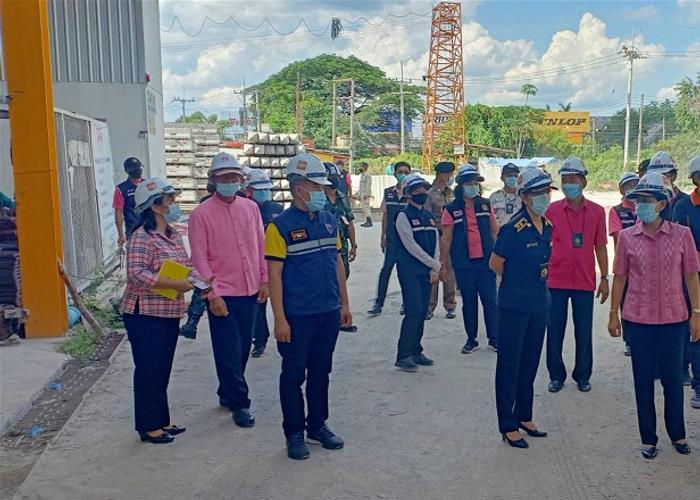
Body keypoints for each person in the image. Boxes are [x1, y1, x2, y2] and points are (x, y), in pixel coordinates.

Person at [265, 153, 352, 460]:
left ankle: (317, 425)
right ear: (298, 187)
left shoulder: (328, 220)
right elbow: (274, 275)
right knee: (293, 375)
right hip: (297, 315)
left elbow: (338, 264)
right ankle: (294, 433)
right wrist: (279, 319)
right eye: (315, 186)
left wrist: (344, 303)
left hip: (328, 311)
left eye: (322, 187)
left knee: (320, 371)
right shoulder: (279, 227)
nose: (321, 192)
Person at [609, 171, 699, 459]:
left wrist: (696, 313)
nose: (641, 206)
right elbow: (620, 277)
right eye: (638, 201)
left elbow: (691, 276)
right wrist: (613, 313)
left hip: (674, 320)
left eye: (647, 200)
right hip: (638, 321)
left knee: (673, 380)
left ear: (661, 203)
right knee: (643, 380)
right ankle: (648, 438)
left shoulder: (682, 235)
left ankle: (678, 434)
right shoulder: (627, 238)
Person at [188, 152, 268, 428]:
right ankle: (240, 402)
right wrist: (211, 295)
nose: (229, 182)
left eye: (234, 177)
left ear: (241, 179)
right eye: (223, 178)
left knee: (243, 346)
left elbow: (260, 245)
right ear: (213, 180)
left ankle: (227, 391)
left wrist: (264, 280)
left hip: (250, 289)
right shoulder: (201, 215)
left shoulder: (251, 208)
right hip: (222, 293)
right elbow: (199, 259)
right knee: (227, 349)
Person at [120, 178, 193, 444]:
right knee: (149, 369)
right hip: (145, 314)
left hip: (169, 311)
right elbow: (136, 274)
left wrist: (197, 280)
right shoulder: (142, 237)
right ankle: (149, 426)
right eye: (169, 199)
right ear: (154, 205)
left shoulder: (173, 235)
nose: (174, 203)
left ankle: (161, 420)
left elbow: (185, 266)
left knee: (162, 368)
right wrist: (174, 284)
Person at [490, 167, 555, 449]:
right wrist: (517, 282)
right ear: (525, 197)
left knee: (530, 362)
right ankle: (508, 425)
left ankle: (524, 416)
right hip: (514, 305)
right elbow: (495, 264)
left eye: (546, 192)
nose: (544, 198)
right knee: (509, 365)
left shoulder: (547, 226)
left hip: (539, 303)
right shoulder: (513, 229)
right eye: (538, 193)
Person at [545, 156, 608, 394]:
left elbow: (600, 246)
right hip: (555, 280)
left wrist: (604, 277)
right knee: (555, 331)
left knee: (584, 331)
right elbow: (542, 244)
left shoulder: (597, 212)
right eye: (564, 180)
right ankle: (556, 375)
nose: (568, 184)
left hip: (584, 281)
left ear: (583, 181)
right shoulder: (551, 211)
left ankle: (583, 375)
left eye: (573, 179)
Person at [441, 164, 499, 354]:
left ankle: (494, 338)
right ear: (461, 186)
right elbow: (446, 238)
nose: (473, 186)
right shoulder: (451, 209)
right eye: (469, 183)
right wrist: (442, 264)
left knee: (490, 300)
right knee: (469, 301)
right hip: (464, 264)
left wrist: (499, 254)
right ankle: (471, 339)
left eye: (475, 183)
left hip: (486, 262)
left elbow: (494, 231)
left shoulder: (485, 205)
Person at [394, 174, 440, 372]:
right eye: (416, 190)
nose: (421, 192)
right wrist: (434, 264)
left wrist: (434, 266)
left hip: (426, 270)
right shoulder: (403, 216)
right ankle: (403, 355)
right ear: (408, 194)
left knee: (422, 311)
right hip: (409, 271)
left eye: (423, 189)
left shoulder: (428, 216)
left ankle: (416, 350)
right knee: (413, 310)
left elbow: (435, 241)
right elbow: (411, 246)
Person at [671, 154, 700, 409]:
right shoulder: (682, 207)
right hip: (692, 276)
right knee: (694, 329)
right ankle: (697, 385)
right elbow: (680, 244)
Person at [245, 169, 284, 357]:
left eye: (266, 189)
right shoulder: (243, 208)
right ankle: (259, 340)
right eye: (259, 190)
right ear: (248, 189)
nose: (264, 193)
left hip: (275, 260)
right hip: (254, 262)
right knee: (258, 303)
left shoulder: (277, 209)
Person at [368, 161, 411, 316]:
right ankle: (378, 304)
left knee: (405, 273)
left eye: (406, 172)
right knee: (386, 270)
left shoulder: (411, 194)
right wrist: (383, 236)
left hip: (407, 241)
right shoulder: (388, 193)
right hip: (392, 239)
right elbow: (385, 216)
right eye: (400, 172)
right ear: (394, 174)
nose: (403, 175)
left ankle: (406, 303)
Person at [179, 181, 217, 340]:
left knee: (202, 288)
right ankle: (192, 323)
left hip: (216, 256)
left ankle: (192, 323)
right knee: (201, 287)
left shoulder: (243, 204)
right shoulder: (206, 205)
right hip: (206, 255)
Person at [608, 172, 639, 357]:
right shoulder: (616, 211)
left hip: (644, 265)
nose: (632, 188)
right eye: (628, 185)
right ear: (621, 189)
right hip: (625, 264)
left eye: (635, 184)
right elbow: (619, 237)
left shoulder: (645, 207)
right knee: (626, 302)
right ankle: (629, 340)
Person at [424, 161, 457, 320]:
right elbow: (427, 216)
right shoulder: (430, 194)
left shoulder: (451, 193)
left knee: (449, 271)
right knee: (435, 269)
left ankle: (450, 305)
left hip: (450, 236)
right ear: (441, 175)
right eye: (449, 174)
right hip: (436, 235)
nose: (451, 177)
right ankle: (430, 306)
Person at [113, 157, 145, 247]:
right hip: (133, 231)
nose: (138, 170)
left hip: (150, 228)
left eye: (139, 167)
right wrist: (121, 235)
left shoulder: (148, 184)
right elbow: (118, 213)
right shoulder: (121, 189)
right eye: (135, 169)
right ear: (127, 172)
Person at [646, 151, 689, 215]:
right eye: (653, 175)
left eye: (661, 175)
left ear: (673, 176)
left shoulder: (686, 203)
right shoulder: (644, 201)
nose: (656, 179)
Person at [490, 163, 522, 228]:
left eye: (515, 176)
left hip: (519, 232)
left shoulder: (523, 196)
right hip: (501, 232)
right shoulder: (494, 197)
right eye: (509, 175)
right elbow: (491, 219)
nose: (513, 178)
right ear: (502, 178)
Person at [358, 162, 373, 227]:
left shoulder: (367, 176)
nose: (360, 168)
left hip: (365, 194)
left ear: (364, 167)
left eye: (361, 166)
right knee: (364, 208)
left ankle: (369, 222)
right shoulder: (362, 175)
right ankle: (367, 221)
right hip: (362, 194)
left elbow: (368, 185)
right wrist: (359, 195)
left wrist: (366, 194)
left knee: (366, 207)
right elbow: (361, 186)